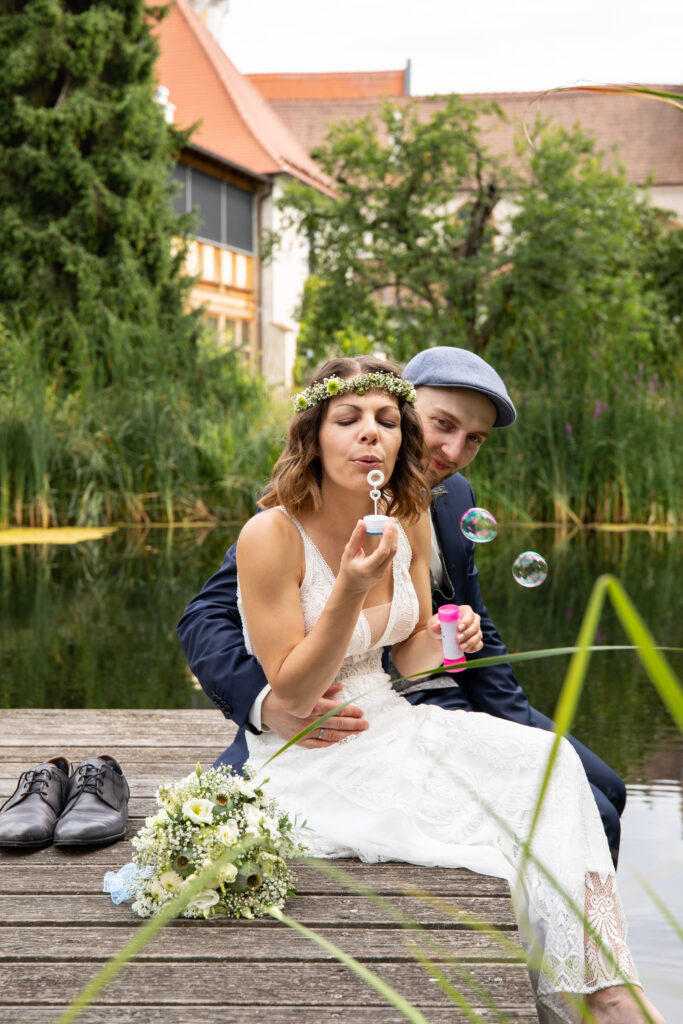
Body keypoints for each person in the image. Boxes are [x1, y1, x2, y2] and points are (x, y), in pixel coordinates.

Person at [231, 357, 664, 1024]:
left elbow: (406, 654)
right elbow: (290, 682)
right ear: (313, 434)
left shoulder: (408, 516)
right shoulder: (270, 534)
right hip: (320, 742)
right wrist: (346, 589)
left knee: (554, 769)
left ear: (398, 437)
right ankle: (596, 999)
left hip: (396, 716)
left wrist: (445, 638)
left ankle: (605, 982)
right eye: (346, 420)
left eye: (383, 421)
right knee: (504, 827)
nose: (368, 434)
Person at [177, 348, 625, 867]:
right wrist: (266, 704)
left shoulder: (452, 496)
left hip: (429, 705)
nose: (453, 451)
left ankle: (582, 942)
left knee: (606, 792)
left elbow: (464, 623)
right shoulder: (300, 512)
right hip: (333, 718)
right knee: (580, 812)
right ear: (409, 410)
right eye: (442, 425)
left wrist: (509, 721)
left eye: (474, 439)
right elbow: (206, 617)